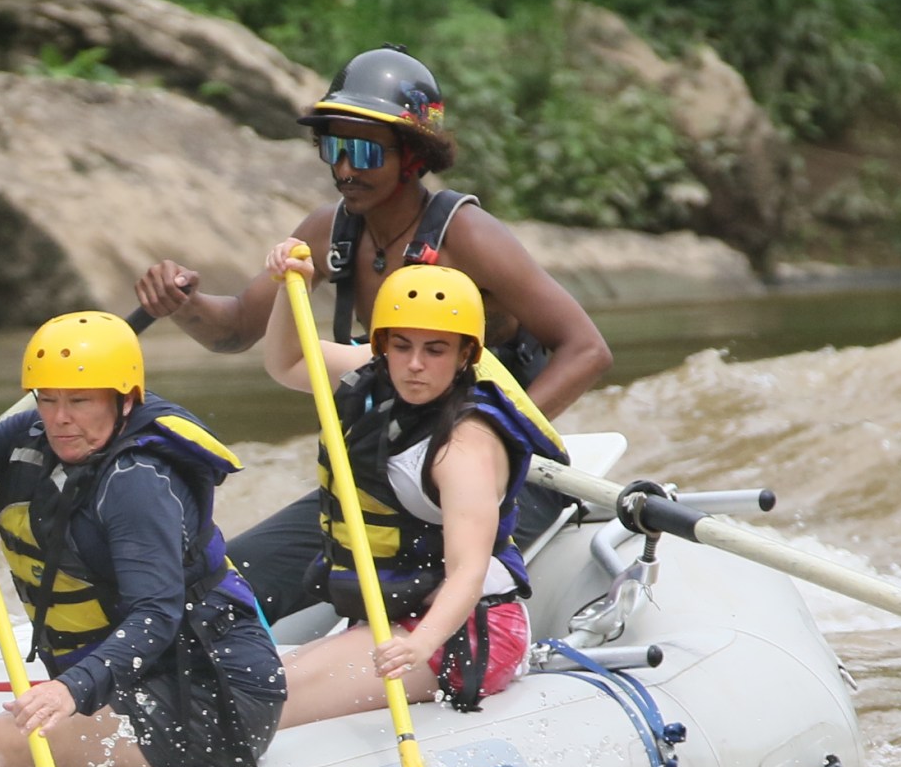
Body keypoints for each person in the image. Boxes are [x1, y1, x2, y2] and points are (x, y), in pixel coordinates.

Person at [129, 46, 610, 620]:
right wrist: (181, 302)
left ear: (412, 157)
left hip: (496, 475)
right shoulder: (326, 231)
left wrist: (488, 441)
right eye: (334, 149)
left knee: (419, 597)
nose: (345, 171)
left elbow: (586, 349)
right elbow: (233, 331)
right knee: (221, 587)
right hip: (391, 463)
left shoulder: (469, 236)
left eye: (363, 153)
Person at [0, 312, 286, 767]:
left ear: (125, 399)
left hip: (208, 695)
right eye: (47, 400)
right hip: (137, 677)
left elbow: (156, 615)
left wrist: (70, 690)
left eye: (78, 401)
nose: (59, 418)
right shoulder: (39, 435)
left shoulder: (138, 482)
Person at [262, 259, 564, 727]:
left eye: (436, 350)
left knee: (267, 696)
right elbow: (288, 362)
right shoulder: (383, 370)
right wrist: (286, 286)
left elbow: (468, 570)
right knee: (258, 681)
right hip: (400, 615)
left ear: (467, 355)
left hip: (466, 632)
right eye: (401, 346)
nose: (416, 364)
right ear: (382, 345)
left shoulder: (465, 448)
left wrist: (421, 643)